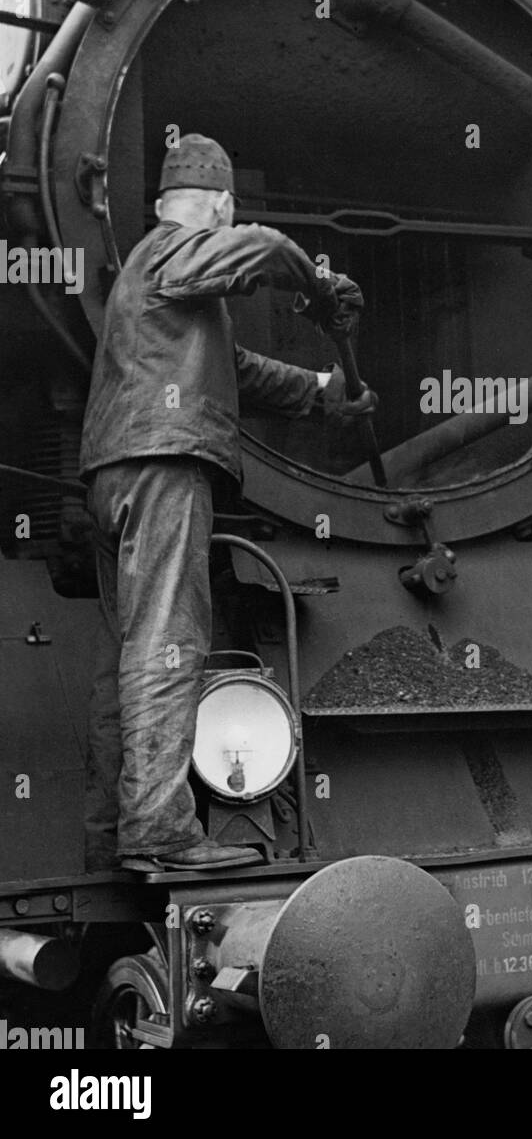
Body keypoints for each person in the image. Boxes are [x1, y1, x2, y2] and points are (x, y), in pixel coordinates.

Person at [79, 133, 373, 874]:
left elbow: (237, 371)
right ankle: (159, 829)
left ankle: (110, 828)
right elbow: (263, 248)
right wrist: (311, 285)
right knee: (170, 641)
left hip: (118, 473)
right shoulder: (169, 250)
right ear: (221, 205)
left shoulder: (163, 287)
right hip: (163, 465)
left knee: (131, 651)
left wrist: (321, 393)